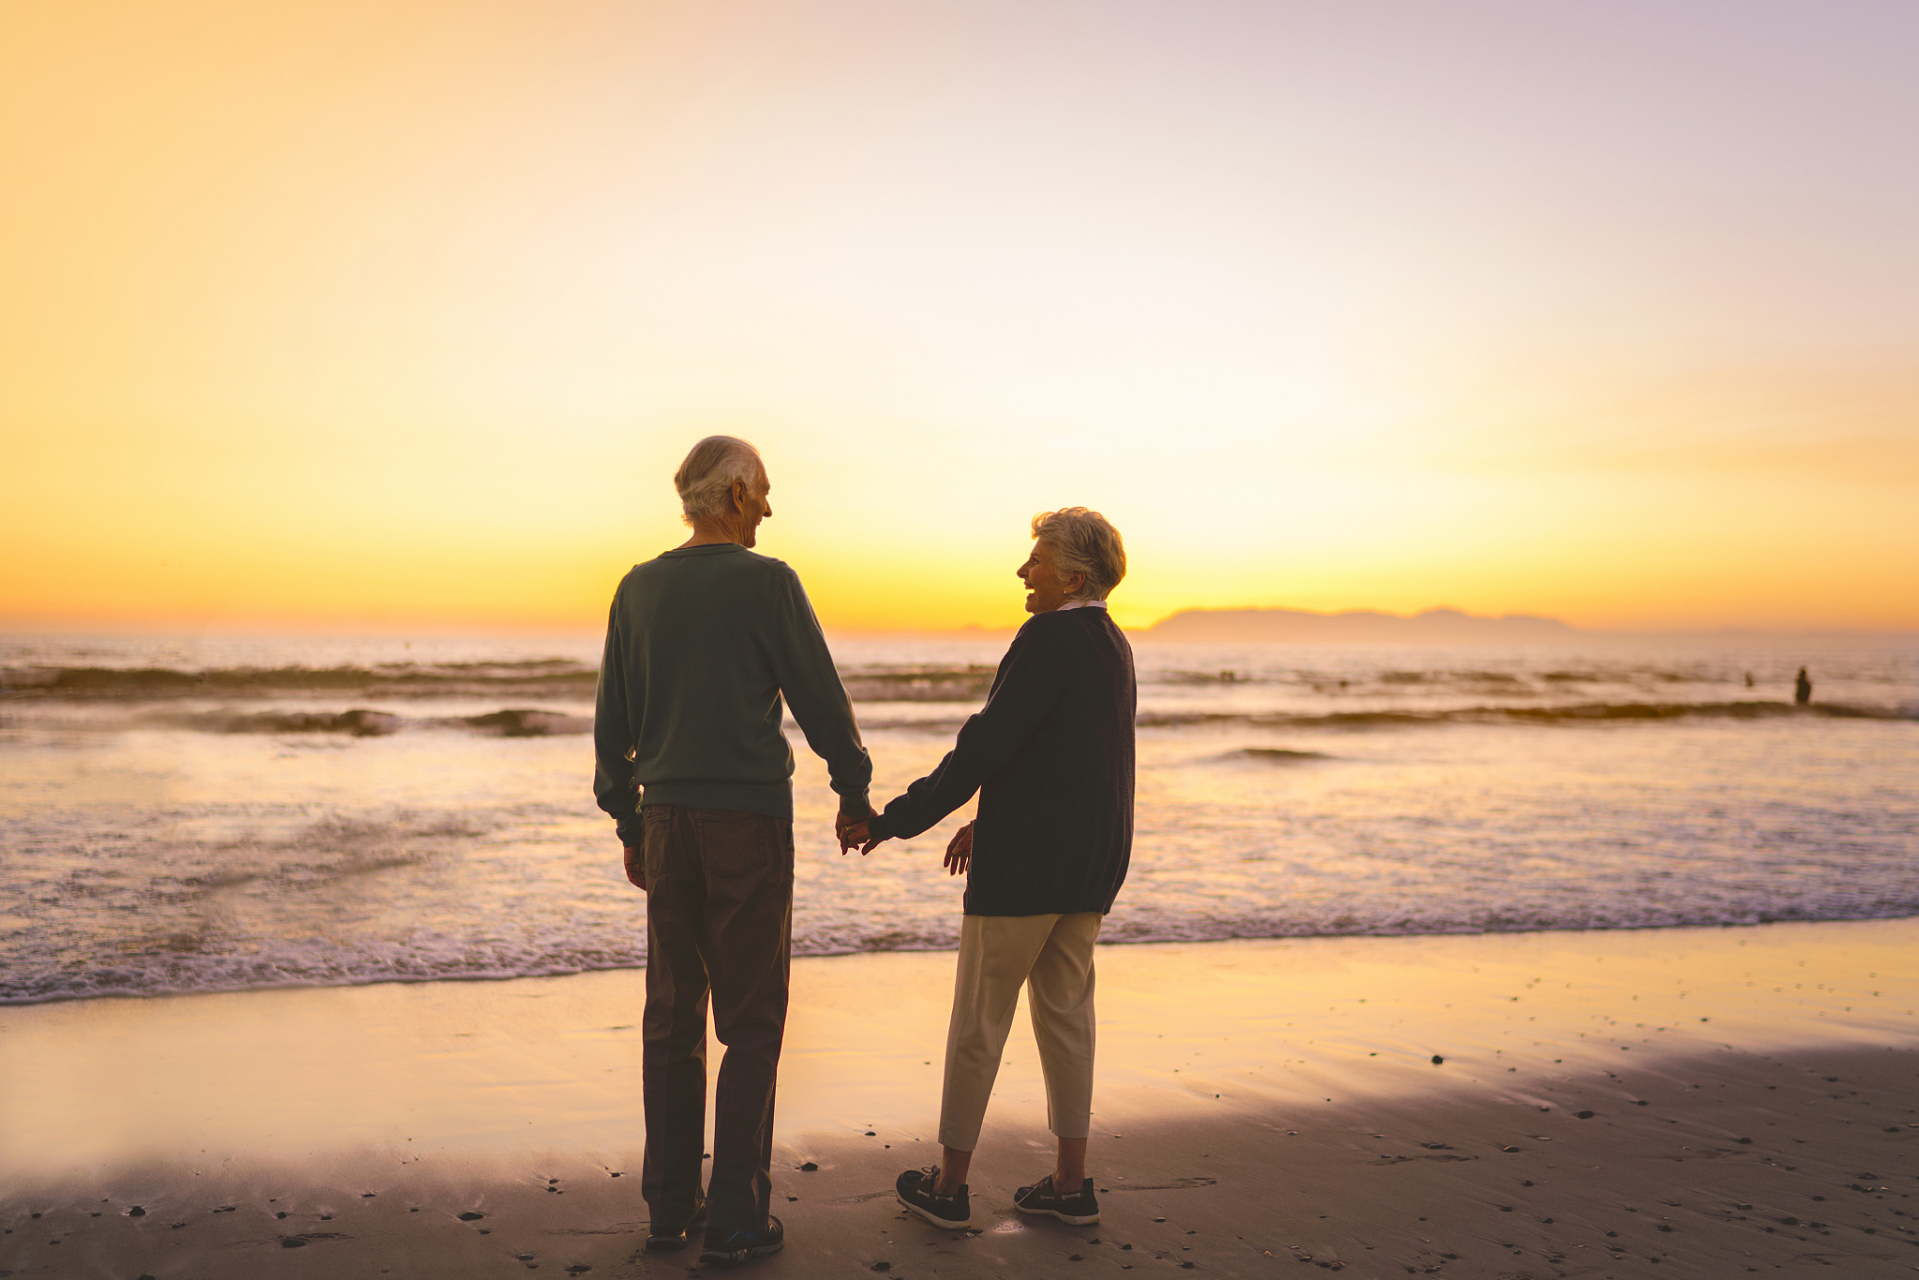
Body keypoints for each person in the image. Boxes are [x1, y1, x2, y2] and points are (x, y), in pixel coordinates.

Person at [593, 436, 873, 1266]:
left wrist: (628, 822)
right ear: (739, 490)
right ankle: (736, 1217)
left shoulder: (637, 589)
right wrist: (852, 790)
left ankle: (667, 1210)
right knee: (751, 1022)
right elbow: (820, 699)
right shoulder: (768, 583)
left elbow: (613, 726)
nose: (770, 509)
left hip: (668, 821)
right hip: (746, 825)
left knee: (671, 1018)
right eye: (765, 492)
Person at [843, 507, 1135, 1231]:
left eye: (1035, 558)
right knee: (1068, 1020)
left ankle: (948, 1187)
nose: (1021, 571)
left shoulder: (1046, 638)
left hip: (1026, 870)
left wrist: (894, 820)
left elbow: (984, 747)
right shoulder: (1113, 644)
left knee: (979, 1023)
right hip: (1092, 860)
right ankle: (1070, 1185)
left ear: (1072, 575)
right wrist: (986, 818)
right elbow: (1073, 758)